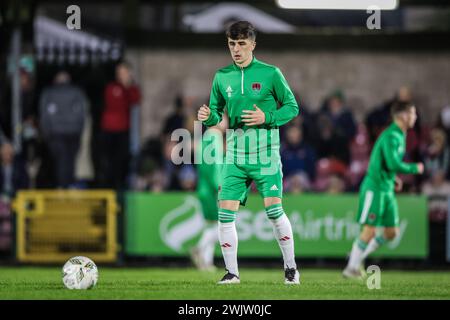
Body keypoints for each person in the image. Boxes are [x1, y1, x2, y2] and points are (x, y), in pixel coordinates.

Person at [197, 21, 300, 284]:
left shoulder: (271, 73)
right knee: (224, 214)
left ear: (253, 44)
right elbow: (217, 116)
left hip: (265, 154)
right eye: (232, 44)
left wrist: (268, 116)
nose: (236, 49)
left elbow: (292, 107)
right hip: (235, 155)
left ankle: (291, 269)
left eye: (242, 44)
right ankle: (232, 273)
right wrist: (208, 117)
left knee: (274, 211)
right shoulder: (222, 76)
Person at [342, 101, 424, 279]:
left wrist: (392, 178)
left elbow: (382, 161)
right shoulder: (391, 136)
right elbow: (393, 162)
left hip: (386, 188)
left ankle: (356, 258)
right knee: (369, 229)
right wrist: (414, 168)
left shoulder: (399, 135)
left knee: (391, 232)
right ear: (402, 116)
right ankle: (351, 268)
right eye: (412, 113)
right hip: (375, 188)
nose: (415, 117)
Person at [190, 118, 227, 271]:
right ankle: (199, 248)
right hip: (212, 189)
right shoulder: (215, 137)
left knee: (212, 224)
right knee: (223, 224)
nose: (226, 123)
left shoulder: (206, 137)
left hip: (203, 187)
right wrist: (220, 186)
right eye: (224, 119)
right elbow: (215, 166)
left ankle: (206, 262)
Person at [39, 71, 88, 188]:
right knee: (69, 160)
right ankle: (68, 184)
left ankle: (62, 186)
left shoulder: (48, 93)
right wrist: (79, 130)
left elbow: (44, 115)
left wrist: (46, 133)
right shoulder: (77, 92)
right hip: (73, 132)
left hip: (56, 133)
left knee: (60, 160)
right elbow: (82, 114)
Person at [99, 61, 141, 189]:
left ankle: (120, 187)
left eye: (123, 72)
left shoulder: (132, 89)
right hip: (109, 130)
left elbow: (135, 100)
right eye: (119, 73)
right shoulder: (111, 87)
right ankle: (107, 186)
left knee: (122, 162)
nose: (120, 75)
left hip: (123, 130)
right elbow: (111, 103)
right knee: (108, 162)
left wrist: (127, 86)